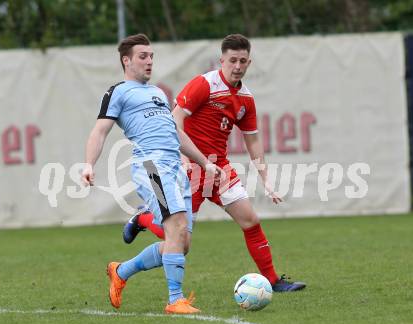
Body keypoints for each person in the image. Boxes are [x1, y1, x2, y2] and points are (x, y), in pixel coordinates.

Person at [124, 34, 306, 292]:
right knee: (180, 241)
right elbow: (174, 120)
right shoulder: (204, 85)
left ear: (249, 63)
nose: (238, 66)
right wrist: (185, 157)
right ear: (222, 60)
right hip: (189, 171)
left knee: (250, 220)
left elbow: (252, 141)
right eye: (232, 60)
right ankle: (143, 219)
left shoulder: (246, 99)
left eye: (243, 61)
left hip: (218, 168)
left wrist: (266, 181)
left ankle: (273, 281)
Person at [82, 33, 222, 314]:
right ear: (126, 60)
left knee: (181, 244)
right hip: (152, 167)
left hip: (176, 168)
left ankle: (121, 271)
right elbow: (100, 131)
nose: (149, 62)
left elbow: (175, 132)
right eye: (143, 56)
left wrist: (204, 162)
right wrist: (88, 164)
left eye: (152, 56)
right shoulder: (118, 92)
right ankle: (175, 300)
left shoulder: (158, 93)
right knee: (176, 227)